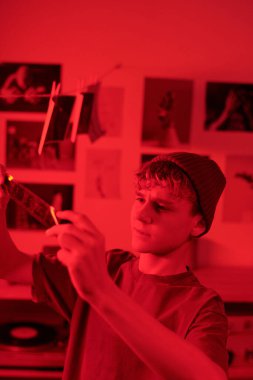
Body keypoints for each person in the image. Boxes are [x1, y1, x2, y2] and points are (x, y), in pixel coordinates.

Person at [0, 152, 228, 380]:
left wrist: (101, 291)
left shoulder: (202, 307)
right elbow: (9, 266)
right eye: (140, 198)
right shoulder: (104, 266)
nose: (141, 214)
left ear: (197, 224)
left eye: (161, 206)